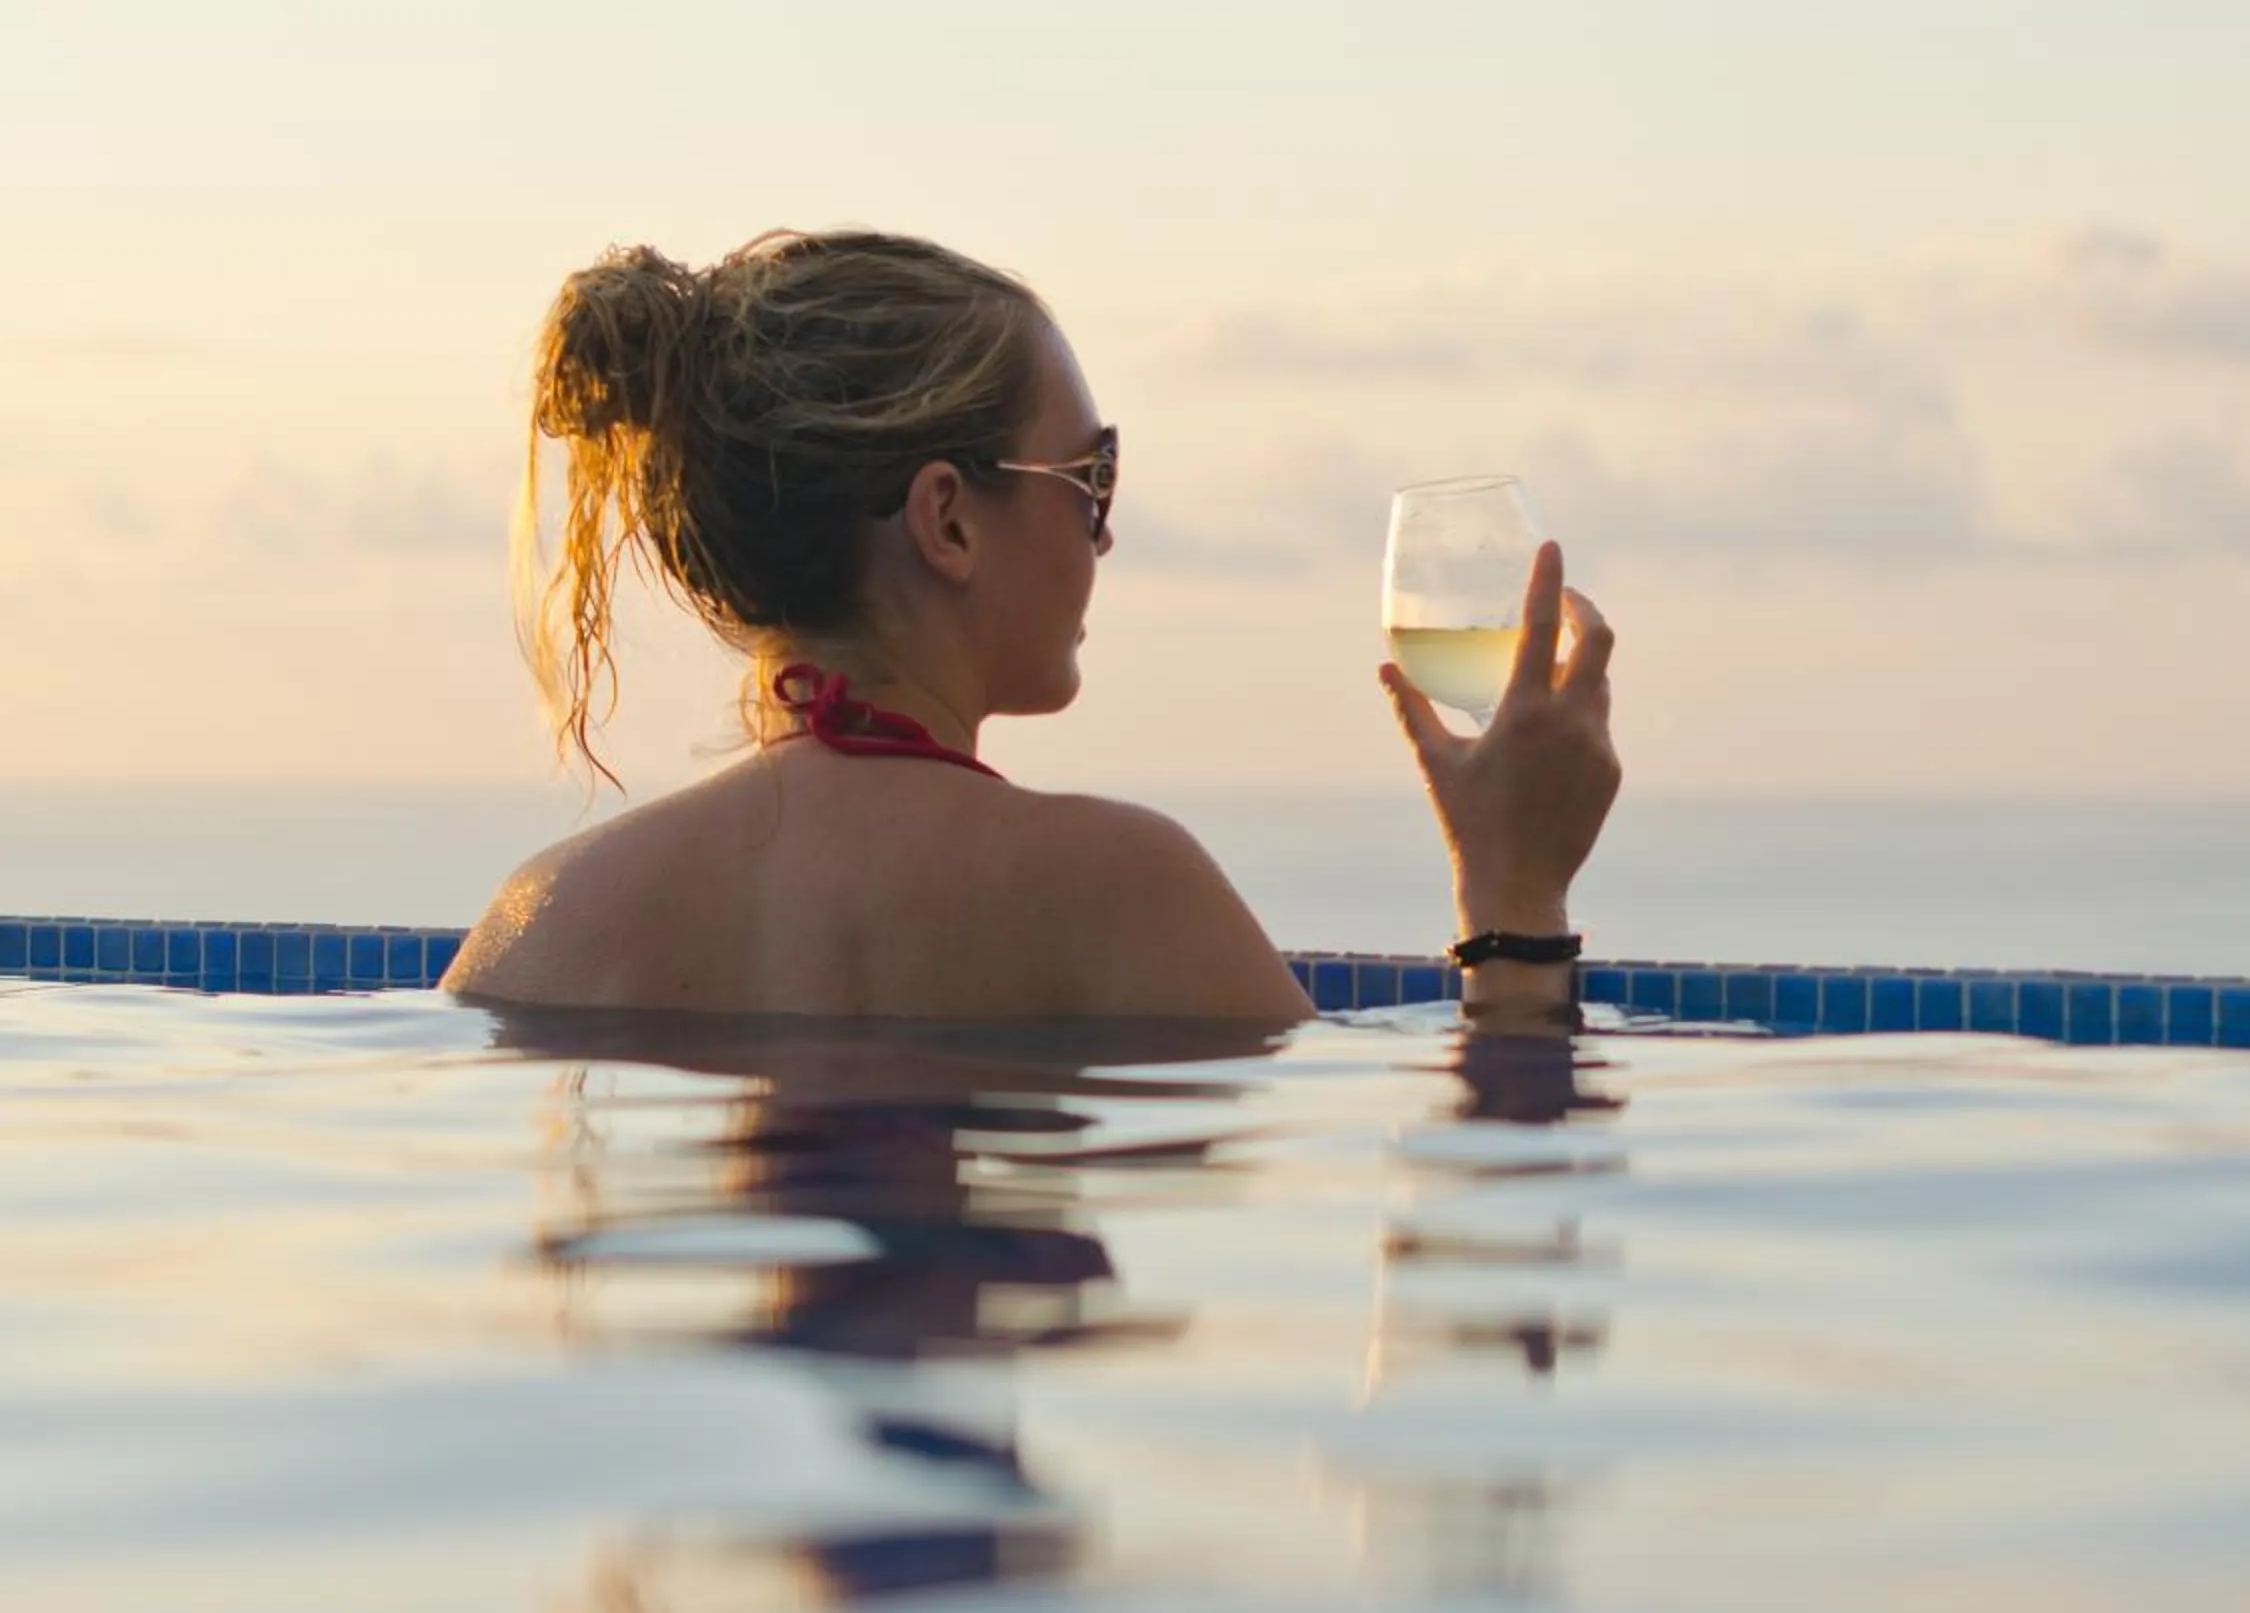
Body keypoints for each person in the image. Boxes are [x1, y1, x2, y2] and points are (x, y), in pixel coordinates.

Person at [442, 229, 1621, 1024]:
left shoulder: (542, 920)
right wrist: (1513, 897)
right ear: (948, 519)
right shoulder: (1123, 889)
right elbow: (1479, 1217)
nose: (1101, 535)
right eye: (1089, 476)